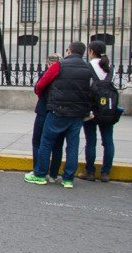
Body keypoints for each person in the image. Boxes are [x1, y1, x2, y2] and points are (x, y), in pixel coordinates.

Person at [25, 41, 94, 189]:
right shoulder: (88, 67)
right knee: (72, 145)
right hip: (77, 112)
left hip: (58, 109)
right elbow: (92, 89)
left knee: (46, 142)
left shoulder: (59, 65)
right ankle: (68, 179)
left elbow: (41, 85)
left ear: (69, 51)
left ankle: (40, 174)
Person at [79, 41, 116, 182]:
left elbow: (86, 87)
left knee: (91, 141)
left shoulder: (88, 66)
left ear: (91, 51)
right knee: (108, 140)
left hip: (92, 107)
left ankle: (90, 171)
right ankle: (106, 172)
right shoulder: (109, 67)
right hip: (107, 108)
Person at [31, 54, 65, 182]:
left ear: (48, 63)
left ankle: (38, 169)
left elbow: (38, 89)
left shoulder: (46, 74)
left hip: (44, 110)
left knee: (38, 142)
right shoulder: (64, 77)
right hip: (59, 112)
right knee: (57, 144)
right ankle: (54, 173)